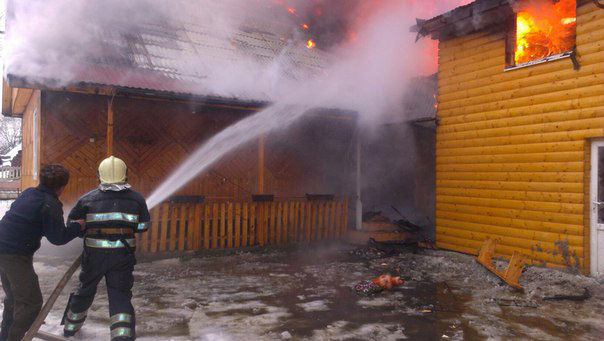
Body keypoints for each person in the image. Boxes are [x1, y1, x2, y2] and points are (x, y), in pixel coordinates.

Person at [62, 156, 150, 341]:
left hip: (94, 256)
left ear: (99, 175)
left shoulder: (87, 199)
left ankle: (70, 329)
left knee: (85, 290)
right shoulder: (136, 199)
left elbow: (73, 224)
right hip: (122, 256)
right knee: (120, 295)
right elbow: (143, 227)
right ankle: (122, 337)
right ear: (125, 175)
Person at [0, 164, 85, 341]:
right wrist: (78, 227)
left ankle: (5, 335)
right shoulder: (50, 204)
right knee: (30, 303)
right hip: (13, 255)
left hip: (3, 247)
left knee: (15, 299)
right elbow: (58, 238)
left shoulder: (29, 193)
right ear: (62, 186)